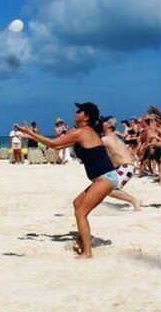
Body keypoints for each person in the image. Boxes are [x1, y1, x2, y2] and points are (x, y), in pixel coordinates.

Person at [16, 102, 118, 259]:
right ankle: (81, 240)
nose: (75, 113)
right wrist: (29, 134)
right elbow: (56, 147)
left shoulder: (83, 132)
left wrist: (30, 132)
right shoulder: (83, 132)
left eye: (79, 111)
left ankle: (87, 253)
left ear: (86, 117)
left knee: (81, 212)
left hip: (105, 178)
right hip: (104, 178)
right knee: (77, 204)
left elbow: (53, 143)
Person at [101, 117, 142, 210]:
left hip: (126, 167)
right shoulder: (115, 138)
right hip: (125, 167)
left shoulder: (106, 139)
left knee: (111, 190)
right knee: (104, 185)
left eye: (103, 122)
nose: (100, 123)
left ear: (110, 126)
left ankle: (134, 201)